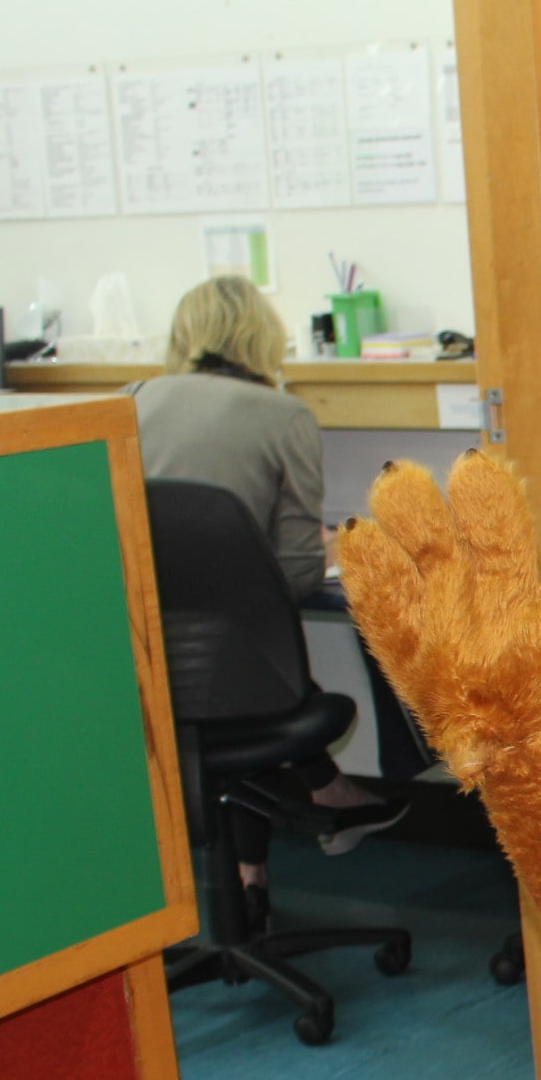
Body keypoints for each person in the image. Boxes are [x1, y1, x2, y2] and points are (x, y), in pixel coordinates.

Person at [135, 275, 406, 919]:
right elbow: (296, 573)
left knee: (231, 674)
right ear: (264, 337)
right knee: (254, 665)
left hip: (141, 666)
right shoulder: (283, 415)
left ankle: (255, 873)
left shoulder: (129, 402)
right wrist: (337, 547)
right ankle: (325, 798)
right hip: (241, 676)